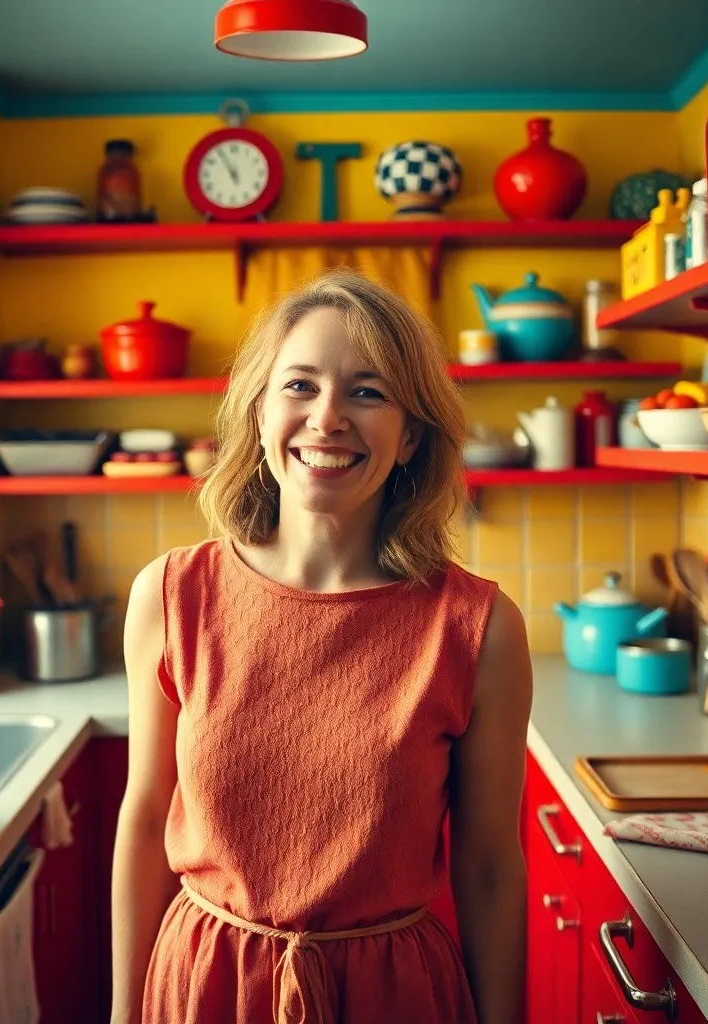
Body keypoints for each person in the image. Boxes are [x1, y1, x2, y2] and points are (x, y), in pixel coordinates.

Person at [110, 269, 533, 1024]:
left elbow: (492, 867)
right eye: (299, 386)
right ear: (259, 412)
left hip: (394, 997)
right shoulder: (171, 596)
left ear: (410, 437)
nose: (327, 417)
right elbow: (145, 821)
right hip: (206, 986)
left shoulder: (480, 629)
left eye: (367, 392)